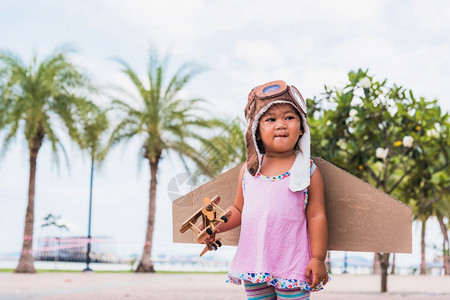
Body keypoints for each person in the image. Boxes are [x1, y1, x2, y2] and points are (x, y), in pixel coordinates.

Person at [213, 80, 329, 300]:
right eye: (271, 119)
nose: (281, 125)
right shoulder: (249, 171)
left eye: (289, 117)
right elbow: (238, 209)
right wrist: (214, 227)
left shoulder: (307, 170)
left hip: (293, 265)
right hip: (255, 264)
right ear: (256, 130)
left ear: (302, 127)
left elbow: (316, 216)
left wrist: (318, 259)